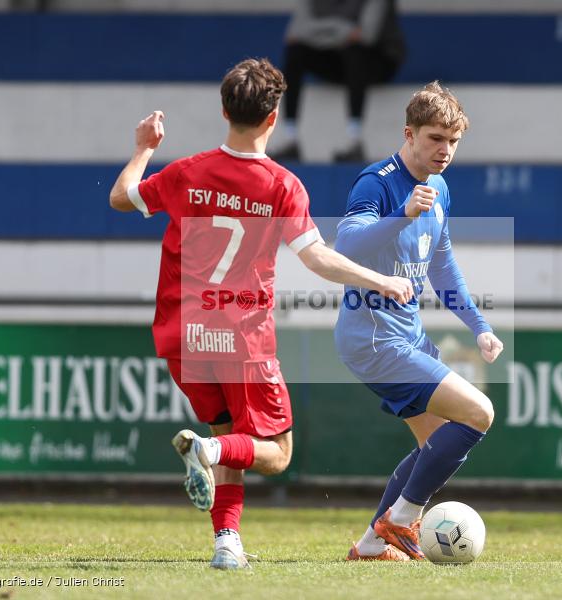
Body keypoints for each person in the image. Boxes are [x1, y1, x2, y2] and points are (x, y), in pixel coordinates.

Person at [108, 58, 413, 570]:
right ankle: (207, 452)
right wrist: (382, 279)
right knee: (274, 451)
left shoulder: (187, 172)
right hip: (241, 334)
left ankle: (227, 544)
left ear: (225, 110)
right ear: (274, 118)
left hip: (183, 333)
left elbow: (121, 197)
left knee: (232, 434)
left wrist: (144, 149)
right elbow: (316, 257)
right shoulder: (281, 185)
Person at [333, 82, 503, 561]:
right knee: (479, 413)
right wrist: (402, 215)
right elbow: (344, 249)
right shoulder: (377, 182)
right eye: (434, 139)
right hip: (372, 339)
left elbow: (442, 265)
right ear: (409, 134)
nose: (444, 150)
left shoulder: (440, 186)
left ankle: (370, 547)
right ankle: (402, 519)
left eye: (452, 141)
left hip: (405, 336)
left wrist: (478, 326)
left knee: (435, 447)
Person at [270, 0, 405, 163]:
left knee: (355, 52)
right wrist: (342, 31)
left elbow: (366, 35)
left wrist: (319, 33)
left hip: (377, 63)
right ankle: (290, 137)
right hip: (337, 57)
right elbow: (294, 33)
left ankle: (355, 140)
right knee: (295, 53)